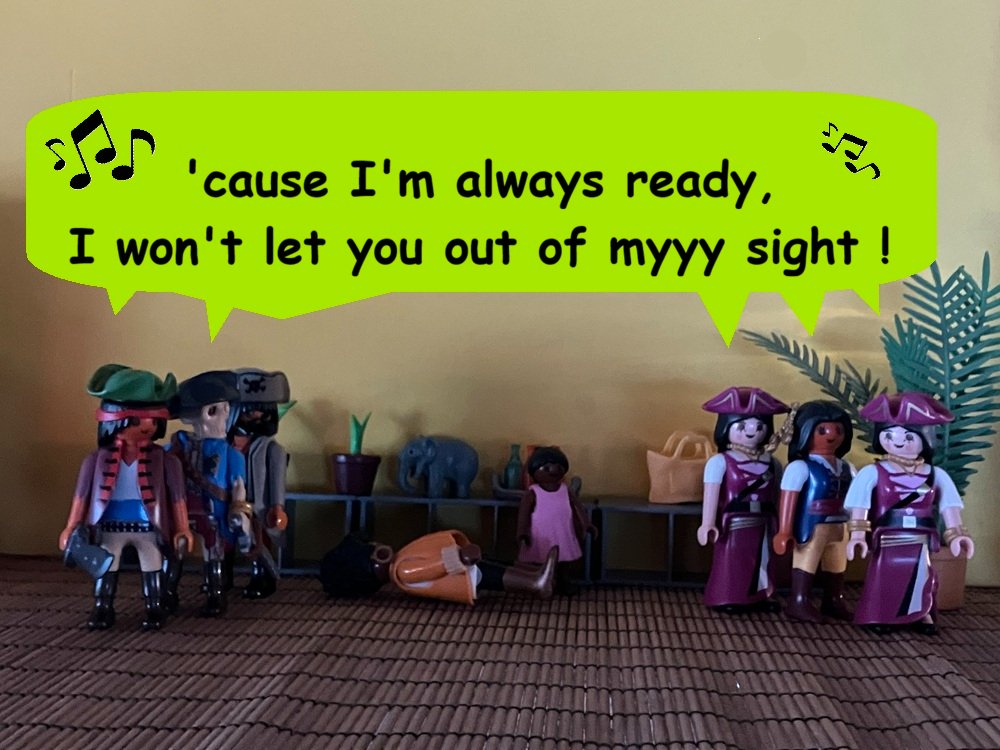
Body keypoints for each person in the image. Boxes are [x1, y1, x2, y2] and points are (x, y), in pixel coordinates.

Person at [59, 364, 192, 631]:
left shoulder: (167, 461)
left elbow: (178, 499)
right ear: (113, 420)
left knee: (152, 565)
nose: (146, 426)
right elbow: (81, 496)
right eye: (136, 420)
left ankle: (154, 607)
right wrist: (71, 526)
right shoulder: (94, 461)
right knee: (107, 566)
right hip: (110, 526)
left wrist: (183, 528)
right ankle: (102, 607)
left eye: (152, 419)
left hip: (149, 527)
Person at [845, 392, 974, 634]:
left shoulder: (935, 475)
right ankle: (879, 615)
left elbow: (949, 506)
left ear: (925, 437)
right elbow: (859, 505)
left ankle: (921, 614)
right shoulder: (872, 473)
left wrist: (957, 535)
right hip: (888, 535)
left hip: (919, 537)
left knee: (921, 574)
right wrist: (857, 536)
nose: (899, 442)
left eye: (908, 436)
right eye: (889, 435)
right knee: (884, 574)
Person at [698, 386, 789, 612]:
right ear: (726, 427)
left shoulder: (772, 462)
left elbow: (779, 495)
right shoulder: (720, 462)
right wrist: (707, 523)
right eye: (742, 426)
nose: (752, 432)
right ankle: (729, 597)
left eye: (759, 426)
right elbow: (711, 493)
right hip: (734, 521)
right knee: (733, 559)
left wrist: (782, 526)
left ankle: (761, 595)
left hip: (765, 520)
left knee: (764, 559)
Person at [168, 370, 249, 616]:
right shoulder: (175, 447)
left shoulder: (231, 455)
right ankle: (167, 593)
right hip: (180, 511)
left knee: (213, 553)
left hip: (213, 513)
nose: (224, 418)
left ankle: (216, 594)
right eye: (215, 411)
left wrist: (239, 511)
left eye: (226, 410)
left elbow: (238, 487)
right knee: (175, 550)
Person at [773, 400, 856, 622]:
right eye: (822, 430)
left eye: (838, 430)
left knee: (837, 563)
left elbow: (858, 500)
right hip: (811, 525)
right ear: (805, 431)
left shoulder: (847, 467)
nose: (832, 435)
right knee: (806, 561)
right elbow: (788, 498)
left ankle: (833, 599)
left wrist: (859, 528)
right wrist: (784, 530)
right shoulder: (800, 467)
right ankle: (798, 600)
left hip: (841, 524)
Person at [320, 530, 558, 604]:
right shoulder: (403, 571)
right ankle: (534, 584)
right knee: (496, 575)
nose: (380, 549)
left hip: (462, 569)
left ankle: (535, 575)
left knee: (496, 569)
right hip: (461, 574)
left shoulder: (401, 560)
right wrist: (460, 557)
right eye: (375, 554)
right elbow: (434, 568)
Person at [228, 368, 291, 599]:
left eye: (262, 415)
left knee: (259, 543)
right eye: (248, 415)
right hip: (227, 501)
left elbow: (277, 479)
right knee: (224, 542)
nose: (256, 419)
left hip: (258, 504)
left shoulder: (272, 449)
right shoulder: (223, 446)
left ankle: (262, 577)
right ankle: (221, 576)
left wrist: (278, 506)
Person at [516, 446, 596, 595]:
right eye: (546, 467)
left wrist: (586, 523)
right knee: (540, 559)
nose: (553, 470)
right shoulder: (533, 493)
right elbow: (523, 515)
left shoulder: (566, 490)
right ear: (534, 471)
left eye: (558, 467)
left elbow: (578, 507)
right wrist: (522, 532)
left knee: (564, 560)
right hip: (540, 535)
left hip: (563, 533)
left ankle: (563, 582)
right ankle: (538, 583)